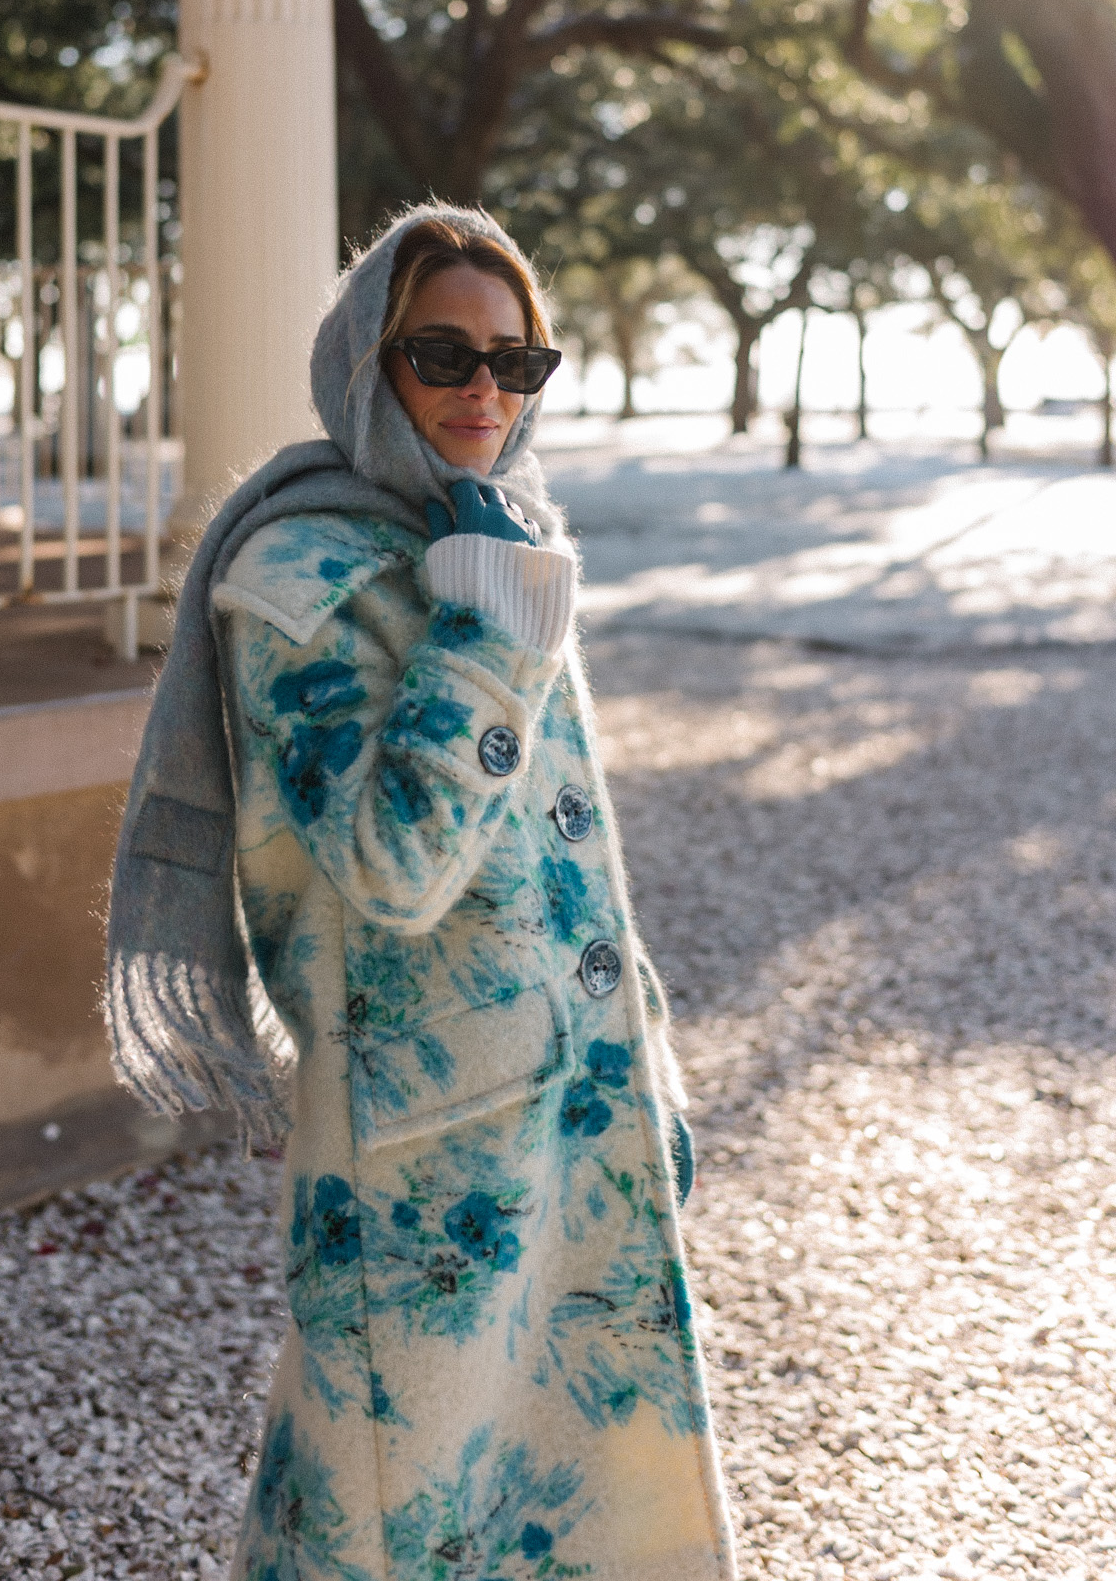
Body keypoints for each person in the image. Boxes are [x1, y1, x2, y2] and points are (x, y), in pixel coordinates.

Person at [105, 206, 736, 1581]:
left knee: (574, 1498)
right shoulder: (298, 575)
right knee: (389, 1501)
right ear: (363, 365)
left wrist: (652, 1068)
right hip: (426, 1146)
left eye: (519, 364)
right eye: (440, 355)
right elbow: (394, 869)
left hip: (573, 1105)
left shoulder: (494, 530)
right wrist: (486, 628)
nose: (483, 393)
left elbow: (570, 854)